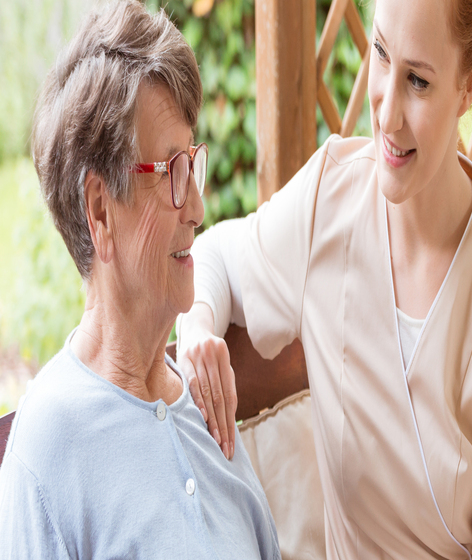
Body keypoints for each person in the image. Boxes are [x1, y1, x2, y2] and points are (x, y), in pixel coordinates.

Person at [177, 0, 472, 558]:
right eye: (380, 53)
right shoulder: (331, 198)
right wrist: (199, 326)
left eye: (418, 81)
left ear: (469, 86)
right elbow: (217, 258)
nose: (387, 113)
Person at [0, 2, 281, 558]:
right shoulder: (48, 452)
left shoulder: (204, 409)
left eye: (192, 165)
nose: (198, 206)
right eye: (171, 172)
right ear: (100, 211)